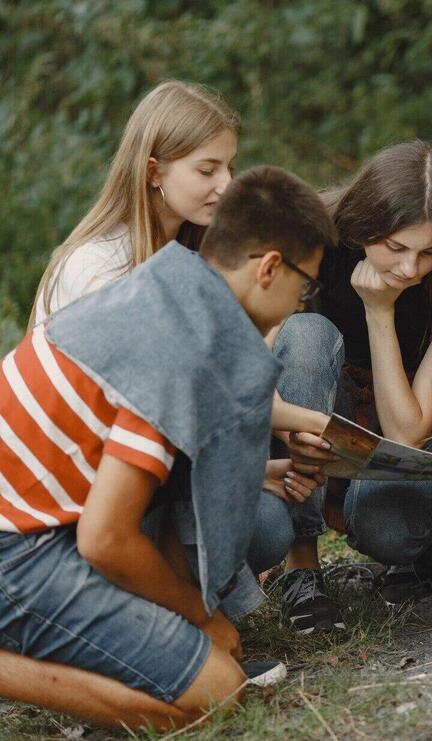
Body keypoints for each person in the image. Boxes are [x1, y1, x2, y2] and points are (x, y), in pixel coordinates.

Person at [0, 165, 336, 730]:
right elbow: (106, 539)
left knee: (213, 660)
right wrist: (198, 618)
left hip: (40, 523)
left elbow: (170, 487)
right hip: (17, 549)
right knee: (215, 690)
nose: (304, 302)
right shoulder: (181, 348)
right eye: (306, 286)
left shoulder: (169, 289)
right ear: (270, 268)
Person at [256, 140, 432, 634]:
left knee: (389, 530)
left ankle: (409, 554)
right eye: (396, 248)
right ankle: (301, 567)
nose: (410, 269)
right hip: (313, 413)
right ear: (363, 224)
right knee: (307, 335)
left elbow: (406, 432)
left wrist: (380, 311)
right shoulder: (312, 242)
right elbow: (267, 374)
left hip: (407, 423)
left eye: (428, 252)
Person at [31, 80, 239, 325]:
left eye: (230, 167)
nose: (228, 184)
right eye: (207, 170)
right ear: (154, 173)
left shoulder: (202, 252)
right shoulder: (95, 267)